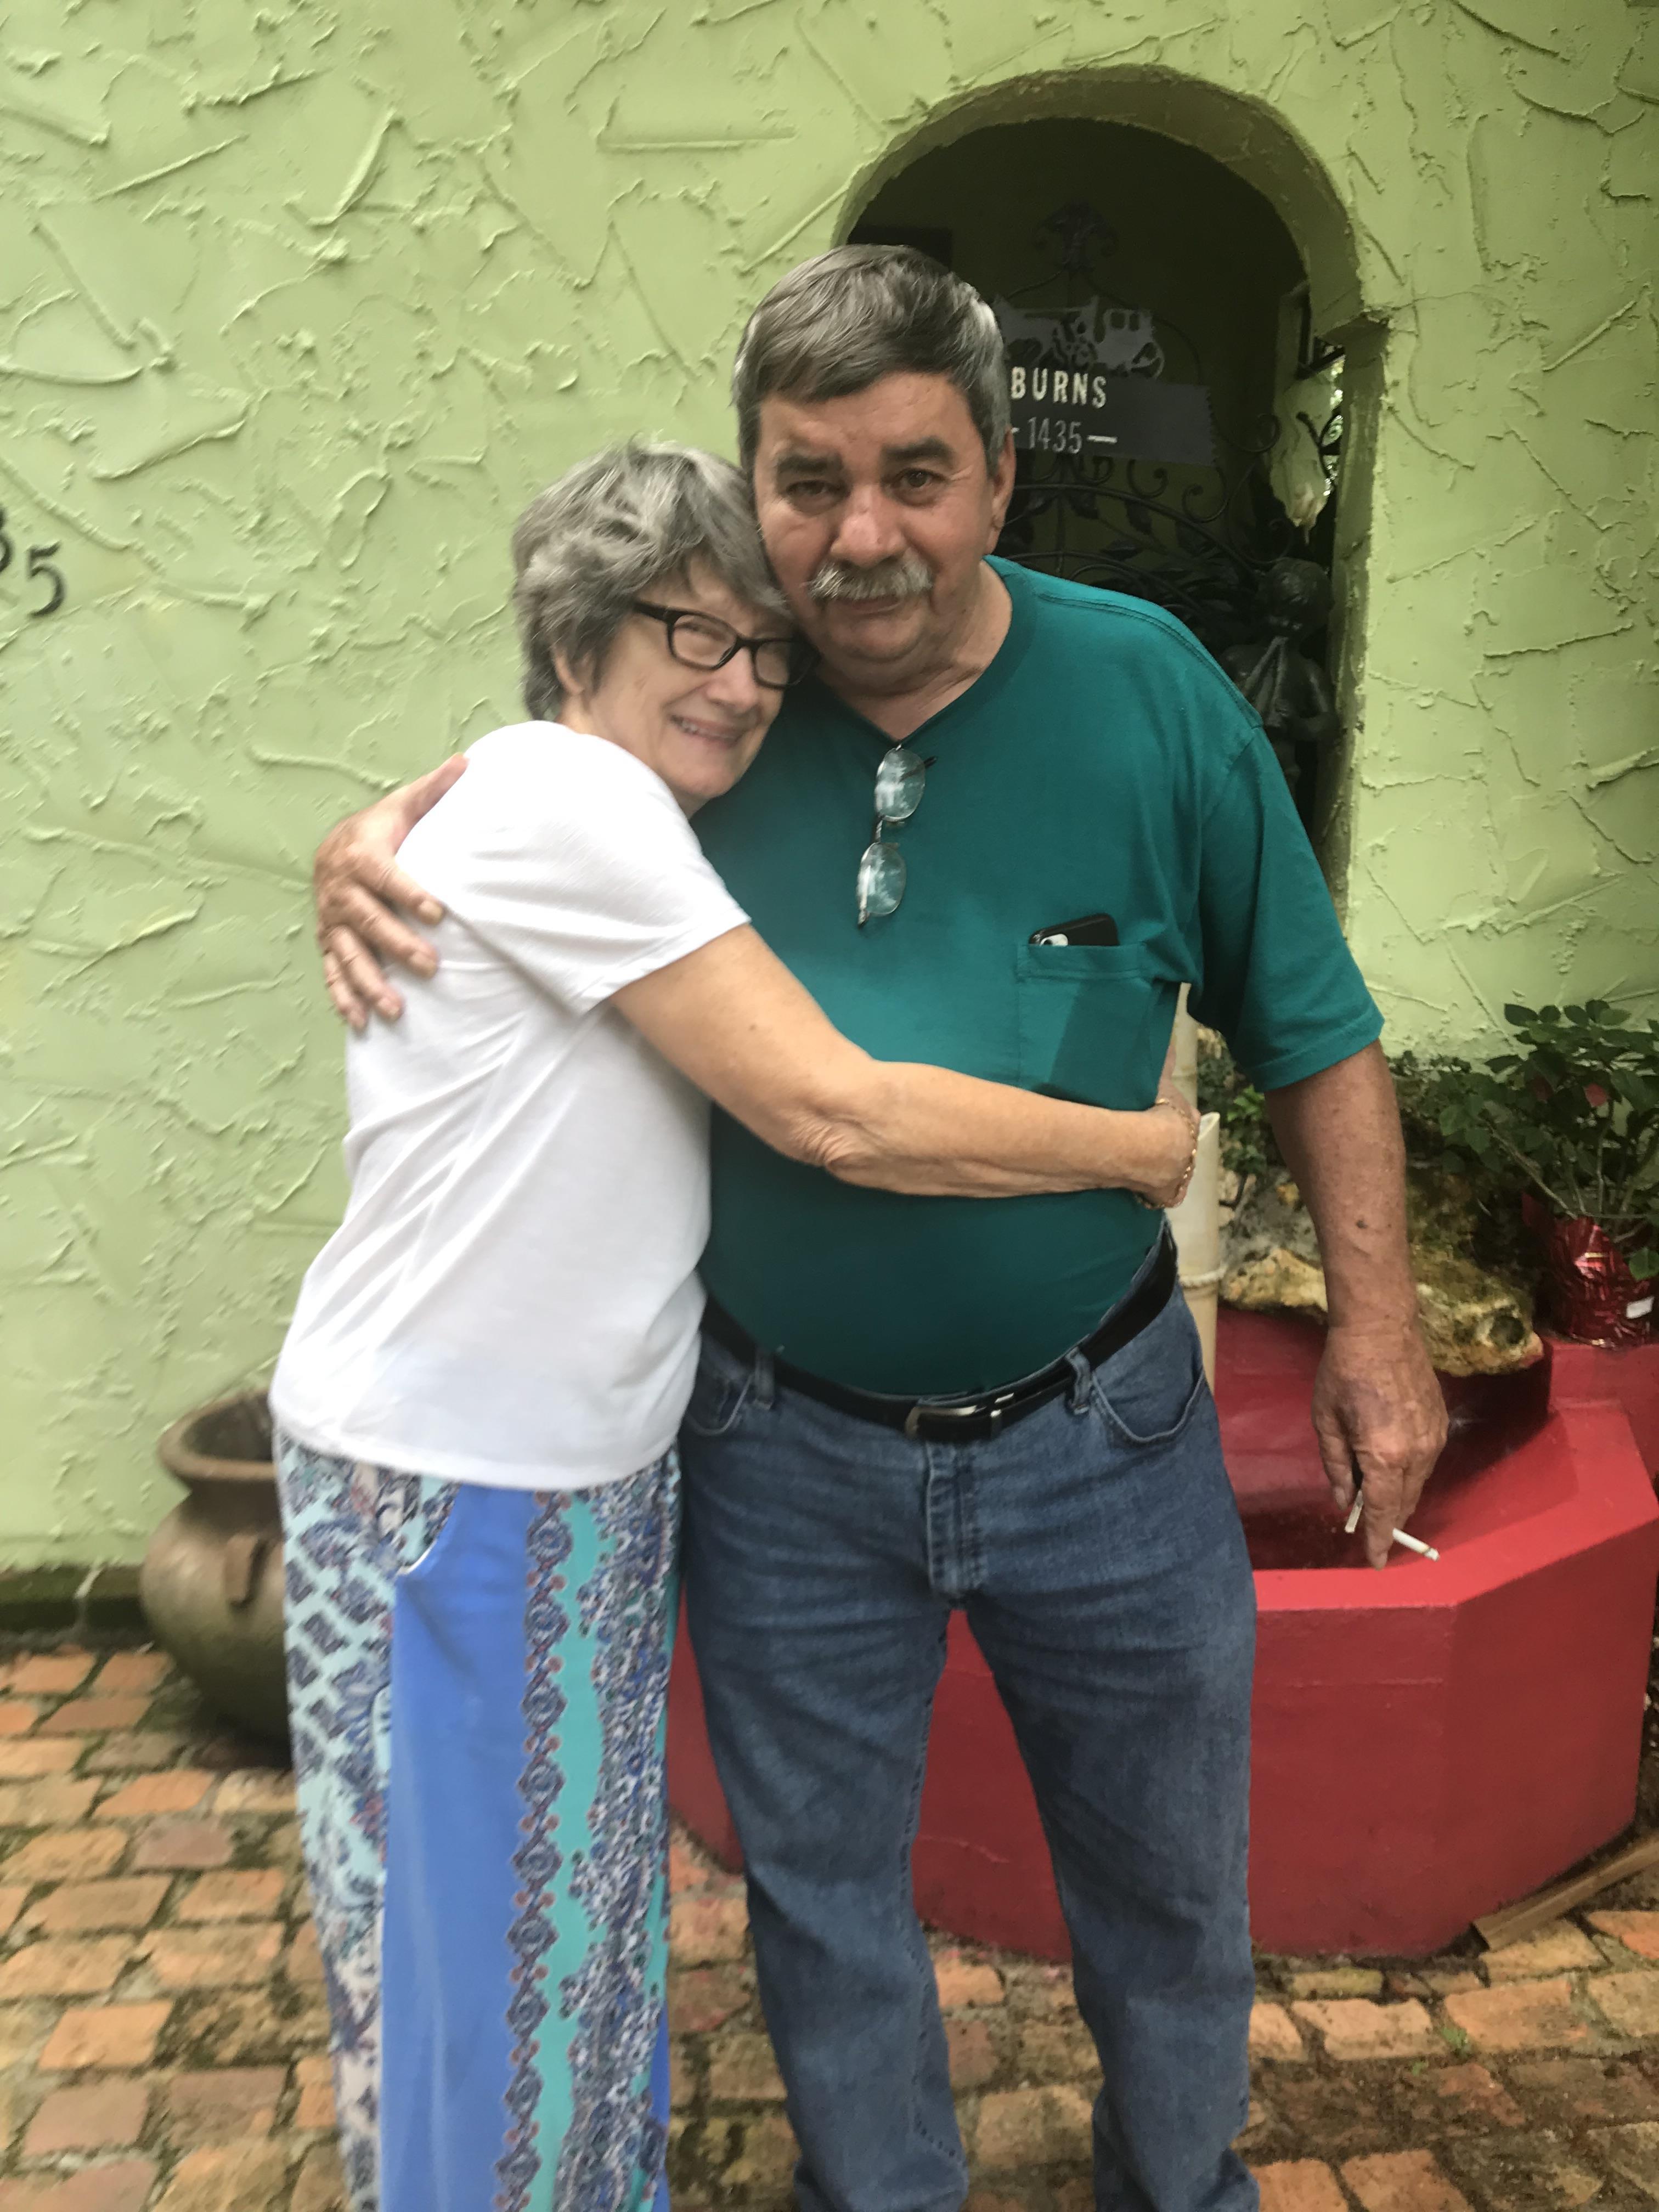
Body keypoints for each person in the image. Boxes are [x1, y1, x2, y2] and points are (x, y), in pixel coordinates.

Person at [313, 251, 1448, 2212]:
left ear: (1003, 477)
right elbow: (530, 802)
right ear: (754, 493)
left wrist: (1378, 1324)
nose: (859, 537)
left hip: (1106, 1439)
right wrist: (360, 832)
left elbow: (1322, 1033)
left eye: (913, 474)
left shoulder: (1148, 694)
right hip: (780, 1450)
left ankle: (1180, 2190)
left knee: (1171, 1893)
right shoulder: (706, 732)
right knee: (823, 1900)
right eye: (807, 479)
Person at [272, 437, 1199, 2212]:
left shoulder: (580, 809)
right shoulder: (578, 803)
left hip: (559, 1482)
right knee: (488, 1988)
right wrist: (1141, 1151)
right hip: (460, 1483)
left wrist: (366, 817)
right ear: (574, 643)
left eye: (763, 649)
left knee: (564, 1958)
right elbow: (831, 1111)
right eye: (692, 635)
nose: (744, 681)